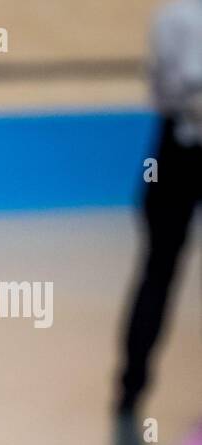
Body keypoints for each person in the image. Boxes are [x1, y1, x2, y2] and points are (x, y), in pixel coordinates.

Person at [117, 0, 202, 413]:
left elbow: (170, 88)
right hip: (176, 154)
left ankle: (130, 384)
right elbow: (174, 92)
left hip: (176, 149)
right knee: (158, 268)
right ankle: (131, 383)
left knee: (157, 270)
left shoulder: (173, 18)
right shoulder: (175, 18)